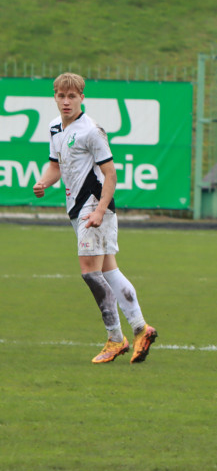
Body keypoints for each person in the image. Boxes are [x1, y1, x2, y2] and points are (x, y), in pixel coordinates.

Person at [32, 72, 158, 364]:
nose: (66, 102)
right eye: (61, 96)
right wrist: (42, 182)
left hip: (94, 206)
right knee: (110, 270)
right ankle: (141, 328)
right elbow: (55, 165)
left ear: (82, 98)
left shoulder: (91, 131)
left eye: (72, 96)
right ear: (55, 97)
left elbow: (111, 174)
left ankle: (116, 338)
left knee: (90, 272)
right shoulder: (54, 127)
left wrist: (100, 211)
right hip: (78, 208)